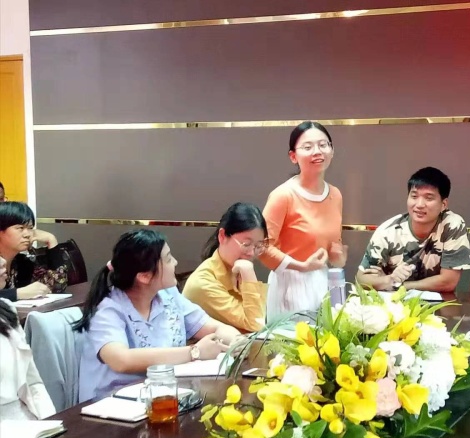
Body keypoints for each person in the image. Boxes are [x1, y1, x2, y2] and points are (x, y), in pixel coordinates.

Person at [75, 229, 245, 401]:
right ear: (145, 276)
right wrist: (195, 352)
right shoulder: (108, 309)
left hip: (164, 395)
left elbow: (214, 327)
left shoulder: (168, 295)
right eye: (169, 259)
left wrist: (236, 341)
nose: (175, 263)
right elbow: (121, 360)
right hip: (114, 404)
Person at [259, 121, 346, 322]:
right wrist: (302, 266)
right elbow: (262, 247)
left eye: (323, 145)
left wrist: (337, 255)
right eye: (308, 147)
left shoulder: (335, 194)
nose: (317, 151)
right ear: (293, 156)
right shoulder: (283, 195)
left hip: (323, 281)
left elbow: (334, 243)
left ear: (332, 150)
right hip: (290, 284)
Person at [357, 167, 470, 292]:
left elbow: (448, 282)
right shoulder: (388, 231)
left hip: (438, 302)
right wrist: (390, 279)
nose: (419, 204)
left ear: (443, 204)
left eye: (429, 198)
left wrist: (397, 285)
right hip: (392, 302)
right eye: (414, 196)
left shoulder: (452, 225)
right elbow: (361, 279)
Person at [183, 203, 268, 333]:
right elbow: (256, 324)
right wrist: (249, 275)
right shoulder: (203, 283)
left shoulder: (238, 269)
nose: (251, 253)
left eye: (258, 246)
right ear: (222, 236)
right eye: (246, 244)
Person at [0, 256, 56, 419]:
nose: (3, 261)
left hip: (24, 419)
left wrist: (50, 421)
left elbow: (32, 380)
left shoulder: (6, 309)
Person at [0, 201, 67, 301]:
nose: (27, 234)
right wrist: (17, 294)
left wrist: (51, 240)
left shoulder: (21, 262)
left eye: (30, 228)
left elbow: (57, 286)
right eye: (20, 228)